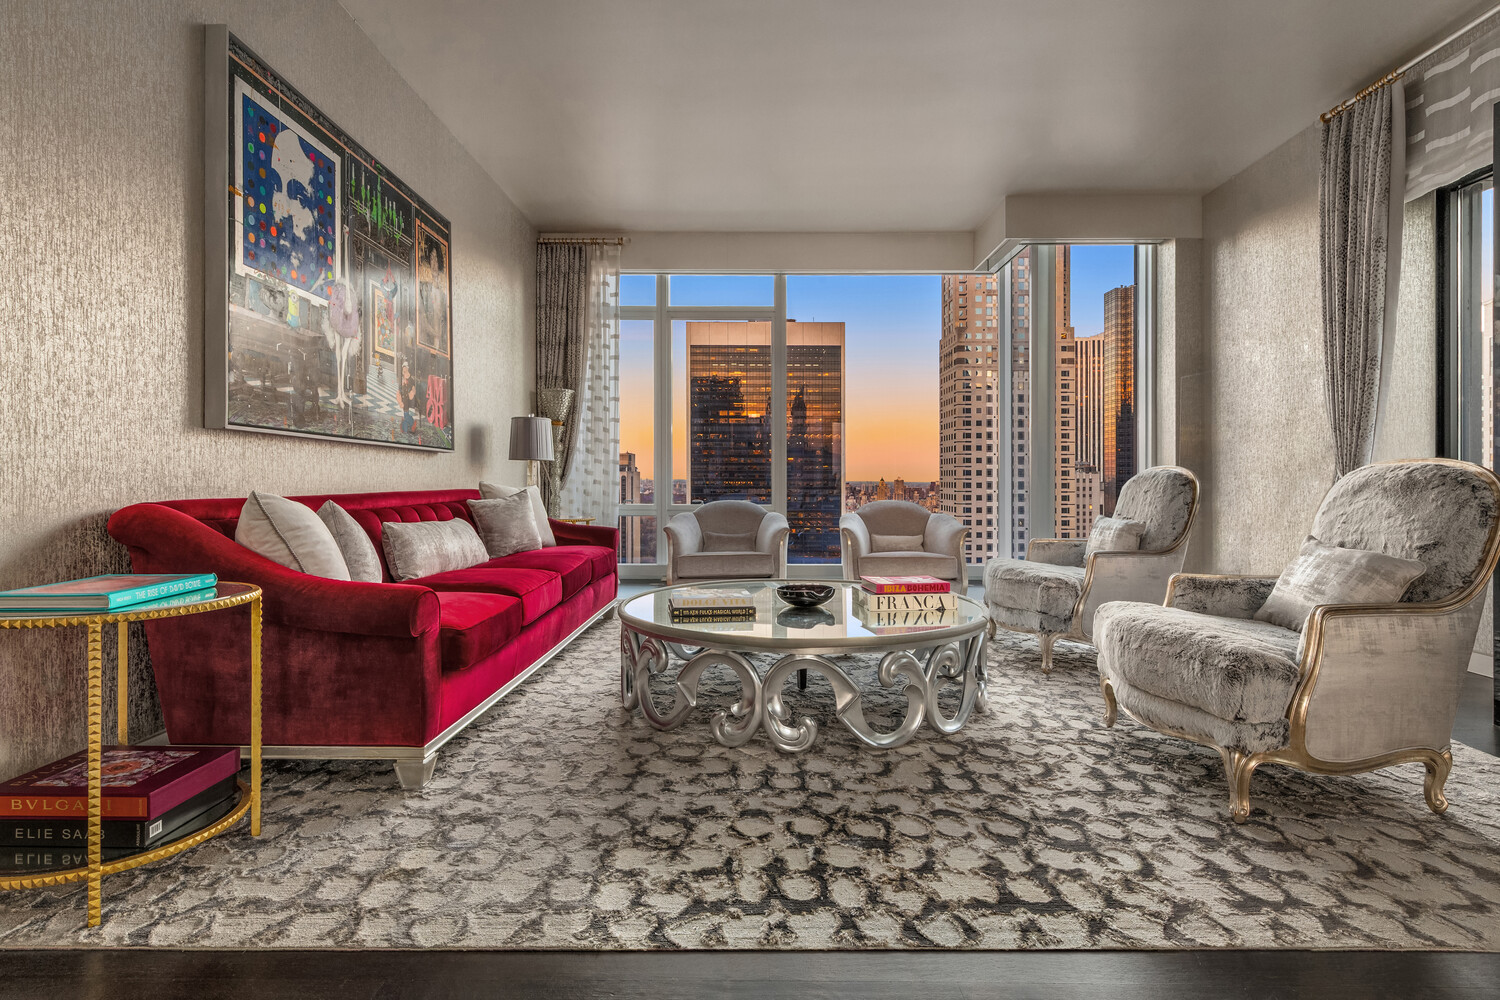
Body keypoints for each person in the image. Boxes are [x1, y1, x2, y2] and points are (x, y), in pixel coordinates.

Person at [399, 360, 417, 435]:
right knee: (405, 413)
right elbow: (400, 388)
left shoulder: (411, 379)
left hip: (407, 398)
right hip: (404, 398)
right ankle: (409, 425)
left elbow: (413, 389)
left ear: (407, 368)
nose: (403, 369)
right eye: (403, 368)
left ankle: (408, 427)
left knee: (406, 414)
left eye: (404, 368)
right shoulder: (403, 378)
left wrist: (412, 393)